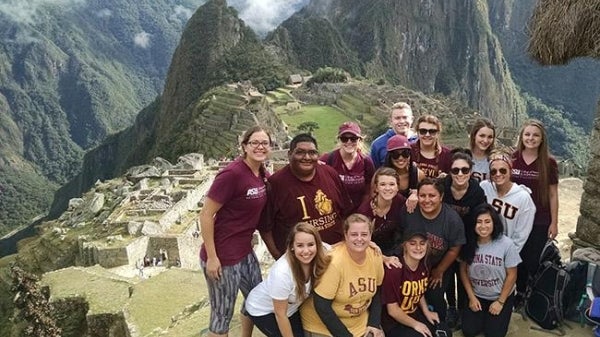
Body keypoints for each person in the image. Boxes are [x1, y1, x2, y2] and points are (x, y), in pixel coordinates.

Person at [199, 125, 272, 337]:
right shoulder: (232, 174)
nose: (260, 146)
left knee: (256, 300)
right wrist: (212, 257)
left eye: (264, 143)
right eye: (255, 143)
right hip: (223, 255)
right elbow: (206, 215)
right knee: (222, 314)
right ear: (244, 146)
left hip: (244, 251)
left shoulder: (260, 172)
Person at [259, 133, 353, 259]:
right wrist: (278, 257)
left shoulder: (330, 174)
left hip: (334, 256)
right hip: (298, 262)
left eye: (312, 153)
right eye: (300, 152)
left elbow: (346, 212)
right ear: (289, 155)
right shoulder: (276, 184)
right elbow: (265, 227)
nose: (307, 157)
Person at [301, 213, 385, 337]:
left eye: (364, 234)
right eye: (354, 234)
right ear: (345, 235)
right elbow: (322, 306)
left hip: (359, 322)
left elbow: (378, 290)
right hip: (323, 326)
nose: (359, 239)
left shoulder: (375, 256)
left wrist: (374, 322)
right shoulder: (334, 262)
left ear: (370, 235)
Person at [246, 223, 331, 337]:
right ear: (292, 246)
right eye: (300, 245)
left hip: (291, 308)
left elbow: (340, 249)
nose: (306, 251)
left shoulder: (325, 250)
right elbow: (280, 315)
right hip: (264, 310)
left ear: (318, 244)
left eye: (310, 244)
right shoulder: (282, 273)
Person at [401, 178, 466, 323]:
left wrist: (440, 270)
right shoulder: (410, 210)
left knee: (435, 296)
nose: (426, 200)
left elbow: (455, 248)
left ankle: (439, 324)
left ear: (441, 197)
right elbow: (400, 235)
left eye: (432, 196)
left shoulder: (451, 220)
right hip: (412, 263)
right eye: (422, 195)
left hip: (438, 264)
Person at [511, 119, 558, 307]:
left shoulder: (549, 162)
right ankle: (513, 291)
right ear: (522, 137)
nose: (531, 138)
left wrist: (554, 222)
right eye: (527, 134)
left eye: (535, 135)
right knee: (514, 255)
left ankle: (526, 292)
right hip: (515, 217)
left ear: (542, 139)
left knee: (531, 258)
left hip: (539, 219)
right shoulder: (513, 158)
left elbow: (553, 194)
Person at [459, 204, 521, 337]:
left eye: (487, 221)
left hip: (500, 295)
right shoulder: (469, 243)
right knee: (469, 331)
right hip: (478, 295)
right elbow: (463, 270)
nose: (483, 226)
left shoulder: (506, 244)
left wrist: (500, 302)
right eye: (479, 222)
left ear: (494, 223)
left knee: (494, 334)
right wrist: (471, 297)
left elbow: (512, 275)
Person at [442, 149, 487, 329]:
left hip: (467, 240)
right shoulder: (443, 186)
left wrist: (469, 247)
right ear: (450, 171)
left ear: (471, 171)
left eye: (465, 170)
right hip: (445, 240)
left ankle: (462, 309)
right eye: (455, 170)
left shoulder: (476, 191)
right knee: (447, 276)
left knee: (463, 277)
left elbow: (479, 219)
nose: (460, 174)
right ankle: (451, 307)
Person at [381, 228, 451, 337]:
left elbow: (419, 292)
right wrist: (416, 325)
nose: (418, 248)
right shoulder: (395, 269)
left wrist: (427, 311)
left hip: (414, 314)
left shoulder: (425, 264)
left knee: (444, 332)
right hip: (394, 323)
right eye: (413, 243)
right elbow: (392, 310)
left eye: (422, 243)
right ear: (405, 245)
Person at [479, 152, 536, 253]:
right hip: (482, 248)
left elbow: (521, 234)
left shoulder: (523, 198)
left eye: (502, 170)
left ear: (510, 171)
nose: (498, 174)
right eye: (493, 171)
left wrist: (508, 255)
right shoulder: (484, 188)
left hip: (506, 252)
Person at [320, 122, 375, 211]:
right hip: (334, 211)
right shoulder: (328, 159)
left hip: (359, 211)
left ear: (359, 140)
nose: (349, 142)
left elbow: (369, 187)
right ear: (339, 140)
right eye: (344, 139)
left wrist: (363, 210)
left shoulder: (366, 161)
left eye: (353, 139)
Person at [357, 167, 406, 255]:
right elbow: (360, 240)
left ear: (397, 187)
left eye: (391, 184)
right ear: (376, 188)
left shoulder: (400, 201)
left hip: (394, 248)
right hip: (371, 251)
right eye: (383, 184)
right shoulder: (365, 211)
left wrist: (414, 195)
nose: (387, 188)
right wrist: (384, 258)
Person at [383, 134, 426, 212]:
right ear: (389, 156)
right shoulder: (381, 176)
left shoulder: (418, 175)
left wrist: (416, 194)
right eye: (395, 155)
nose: (400, 158)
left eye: (405, 153)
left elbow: (426, 196)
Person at [371, 102, 417, 168]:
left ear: (412, 119)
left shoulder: (419, 141)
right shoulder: (378, 145)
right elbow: (374, 173)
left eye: (405, 117)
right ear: (390, 120)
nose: (401, 121)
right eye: (397, 118)